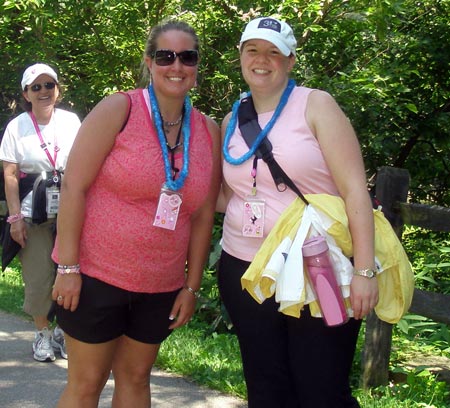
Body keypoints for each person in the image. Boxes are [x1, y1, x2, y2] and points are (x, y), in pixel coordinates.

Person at [51, 19, 221, 407]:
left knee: (136, 378)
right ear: (149, 62)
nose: (176, 66)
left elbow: (203, 214)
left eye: (187, 57)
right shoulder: (119, 109)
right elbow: (74, 187)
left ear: (197, 66)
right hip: (95, 275)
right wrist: (69, 267)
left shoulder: (207, 130)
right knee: (87, 383)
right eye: (166, 56)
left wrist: (191, 286)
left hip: (159, 285)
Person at [217, 16, 379, 408]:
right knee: (266, 386)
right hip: (247, 271)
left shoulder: (316, 105)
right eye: (252, 49)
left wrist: (365, 270)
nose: (262, 59)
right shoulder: (231, 119)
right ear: (240, 56)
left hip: (316, 267)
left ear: (290, 60)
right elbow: (226, 196)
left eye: (274, 52)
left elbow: (355, 192)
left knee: (321, 389)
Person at [0, 63, 81, 362]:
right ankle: (43, 333)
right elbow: (10, 175)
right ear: (26, 94)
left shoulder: (72, 122)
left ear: (58, 90)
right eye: (36, 87)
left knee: (70, 272)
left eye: (49, 85)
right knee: (38, 277)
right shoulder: (17, 127)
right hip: (32, 214)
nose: (44, 91)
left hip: (71, 211)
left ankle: (63, 331)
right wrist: (14, 219)